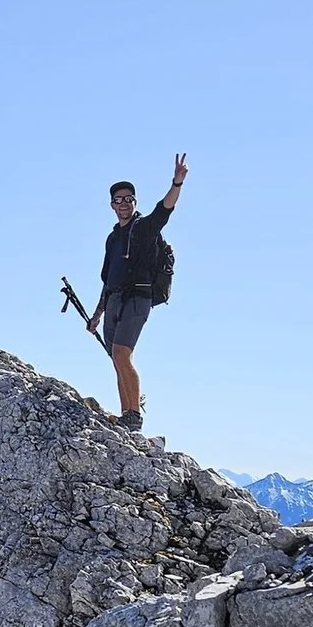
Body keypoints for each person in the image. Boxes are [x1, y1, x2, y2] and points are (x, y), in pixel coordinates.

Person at [87, 154, 188, 432]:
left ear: (135, 202)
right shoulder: (113, 239)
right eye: (118, 200)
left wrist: (177, 183)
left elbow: (164, 210)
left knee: (122, 352)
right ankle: (126, 415)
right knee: (116, 357)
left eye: (128, 199)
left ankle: (134, 415)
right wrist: (97, 314)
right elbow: (108, 280)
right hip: (115, 299)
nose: (123, 203)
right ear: (112, 205)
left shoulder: (143, 228)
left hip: (138, 298)